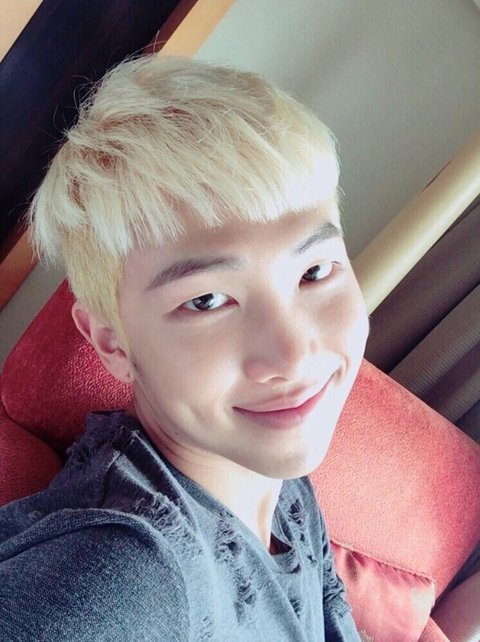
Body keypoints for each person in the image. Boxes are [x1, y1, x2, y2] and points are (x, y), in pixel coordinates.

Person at [0, 54, 369, 641]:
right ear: (111, 342)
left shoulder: (280, 482)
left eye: (315, 271)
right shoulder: (124, 574)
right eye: (206, 301)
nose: (294, 357)